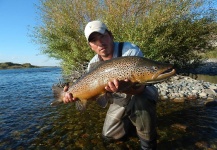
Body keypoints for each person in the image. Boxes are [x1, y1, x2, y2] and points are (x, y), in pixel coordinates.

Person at [63, 20, 158, 150]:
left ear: (111, 35)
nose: (100, 43)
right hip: (119, 98)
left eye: (102, 36)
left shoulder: (130, 51)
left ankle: (148, 143)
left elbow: (141, 88)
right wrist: (74, 96)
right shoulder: (93, 65)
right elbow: (94, 96)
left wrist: (125, 88)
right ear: (90, 46)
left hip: (140, 92)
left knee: (142, 100)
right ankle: (133, 123)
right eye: (94, 40)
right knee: (109, 136)